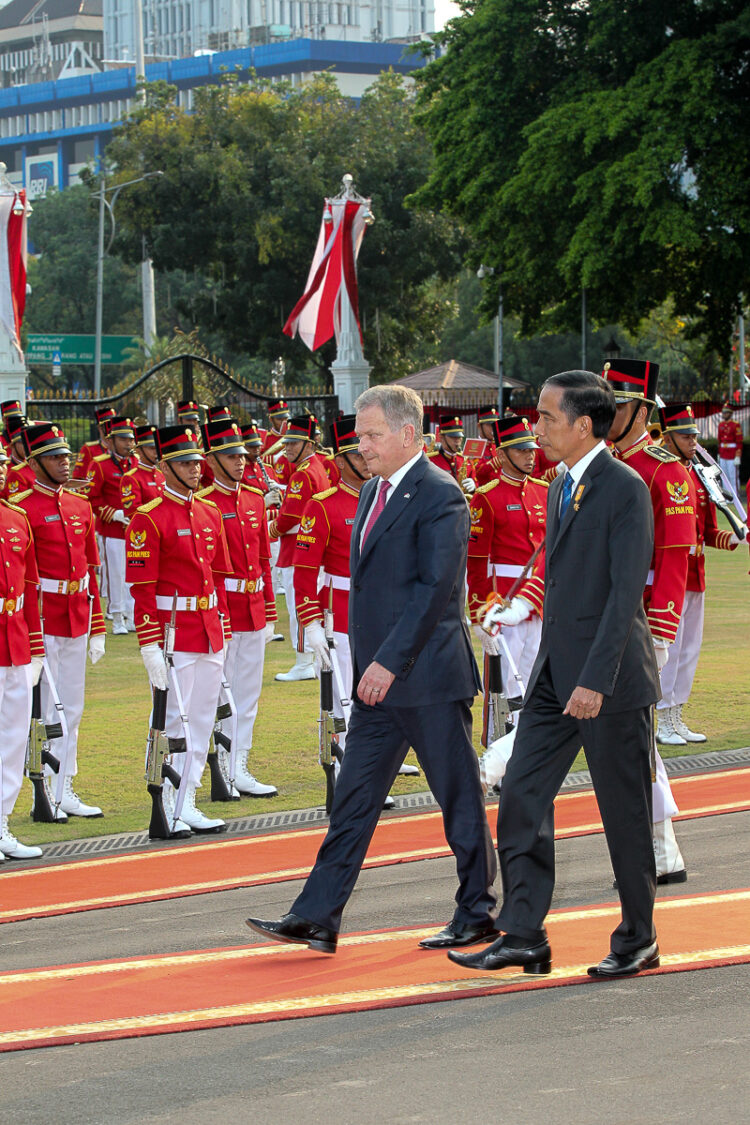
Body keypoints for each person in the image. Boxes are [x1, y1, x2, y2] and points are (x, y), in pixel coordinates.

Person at [246, 384, 498, 955]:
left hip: (426, 678)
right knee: (353, 799)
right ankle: (316, 915)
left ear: (408, 434)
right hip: (377, 686)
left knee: (457, 797)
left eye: (372, 434)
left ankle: (477, 912)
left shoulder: (440, 494)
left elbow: (436, 593)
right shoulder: (372, 493)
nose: (361, 446)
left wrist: (387, 661)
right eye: (359, 434)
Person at [452, 370, 661, 979]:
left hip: (609, 678)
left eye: (546, 417)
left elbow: (625, 596)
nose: (535, 426)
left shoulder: (624, 488)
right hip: (555, 673)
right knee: (520, 791)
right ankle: (523, 934)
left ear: (583, 425)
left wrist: (595, 679)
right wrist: (517, 608)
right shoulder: (559, 485)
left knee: (621, 812)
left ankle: (638, 938)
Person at [603, 358, 695, 882]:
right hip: (610, 619)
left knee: (633, 738)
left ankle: (659, 850)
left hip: (640, 624)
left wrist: (659, 631)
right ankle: (659, 849)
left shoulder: (665, 469)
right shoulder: (609, 463)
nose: (605, 413)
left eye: (616, 404)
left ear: (641, 409)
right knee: (630, 739)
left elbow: (675, 556)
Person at [126, 424, 233, 835]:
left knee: (203, 719)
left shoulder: (208, 512)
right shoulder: (148, 518)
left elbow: (218, 577)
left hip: (208, 629)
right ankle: (166, 799)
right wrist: (149, 644)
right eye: (186, 463)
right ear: (166, 467)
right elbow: (142, 589)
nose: (195, 469)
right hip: (173, 633)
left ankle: (187, 799)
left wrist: (221, 622)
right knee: (174, 721)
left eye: (197, 462)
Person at [15, 422, 107, 819]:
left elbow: (92, 570)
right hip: (40, 618)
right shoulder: (21, 507)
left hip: (76, 617)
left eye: (67, 455)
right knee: (40, 713)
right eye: (54, 457)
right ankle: (37, 788)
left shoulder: (80, 506)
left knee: (72, 707)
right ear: (34, 461)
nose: (65, 462)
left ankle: (63, 786)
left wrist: (99, 626)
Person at [198, 418, 278, 797]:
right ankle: (219, 766)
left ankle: (239, 765)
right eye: (231, 456)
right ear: (211, 459)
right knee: (220, 696)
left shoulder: (254, 498)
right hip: (223, 608)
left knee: (248, 695)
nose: (241, 461)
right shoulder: (204, 503)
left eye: (243, 455)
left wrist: (267, 607)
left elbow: (263, 558)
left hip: (252, 606)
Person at [655, 403, 740, 744]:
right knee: (669, 650)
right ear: (669, 437)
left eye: (694, 435)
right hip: (671, 573)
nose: (693, 441)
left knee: (689, 651)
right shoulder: (665, 473)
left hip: (696, 573)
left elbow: (707, 533)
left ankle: (677, 715)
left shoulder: (700, 477)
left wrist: (734, 537)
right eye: (686, 435)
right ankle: (661, 718)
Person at [467, 415, 547, 736]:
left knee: (532, 679)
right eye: (521, 450)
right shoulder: (486, 497)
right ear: (502, 454)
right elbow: (476, 562)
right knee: (502, 681)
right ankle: (496, 746)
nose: (531, 455)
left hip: (538, 600)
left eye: (532, 449)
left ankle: (523, 750)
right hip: (502, 598)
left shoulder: (543, 491)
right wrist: (480, 615)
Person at [0, 443, 46, 860]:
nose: (0, 472)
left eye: (1, 464)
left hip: (13, 640)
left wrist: (34, 647)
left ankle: (1, 825)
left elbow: (30, 588)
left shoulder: (16, 518)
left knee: (13, 739)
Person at [269, 414, 330, 682]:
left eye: (294, 443)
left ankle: (304, 660)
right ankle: (311, 658)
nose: (287, 448)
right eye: (287, 443)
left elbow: (290, 516)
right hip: (312, 547)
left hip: (299, 547)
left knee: (300, 605)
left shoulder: (302, 474)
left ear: (309, 444)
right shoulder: (315, 467)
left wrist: (268, 528)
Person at [84, 415, 137, 635]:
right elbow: (91, 498)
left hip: (135, 531)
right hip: (113, 530)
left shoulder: (136, 464)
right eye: (123, 439)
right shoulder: (99, 465)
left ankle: (133, 616)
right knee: (116, 575)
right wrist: (111, 513)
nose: (128, 444)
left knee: (135, 575)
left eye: (131, 439)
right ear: (111, 441)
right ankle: (117, 618)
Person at [120, 425, 165, 517]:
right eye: (151, 448)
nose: (156, 452)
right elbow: (133, 511)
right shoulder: (131, 478)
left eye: (157, 448)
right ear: (138, 450)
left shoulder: (161, 474)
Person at [427, 414, 476, 495]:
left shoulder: (466, 460)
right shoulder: (430, 460)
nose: (457, 441)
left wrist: (474, 487)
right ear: (441, 437)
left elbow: (475, 482)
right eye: (453, 437)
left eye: (459, 437)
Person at [72, 406, 116, 481]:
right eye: (107, 426)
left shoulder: (123, 448)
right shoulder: (89, 449)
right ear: (100, 428)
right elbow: (78, 479)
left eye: (114, 426)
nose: (111, 429)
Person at [717, 403, 743, 493]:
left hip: (732, 454)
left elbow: (739, 442)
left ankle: (735, 496)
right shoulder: (720, 425)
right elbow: (719, 441)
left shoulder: (735, 425)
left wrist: (738, 456)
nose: (724, 415)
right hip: (723, 453)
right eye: (723, 413)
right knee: (724, 476)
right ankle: (727, 496)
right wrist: (719, 454)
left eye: (726, 413)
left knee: (733, 477)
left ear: (730, 414)